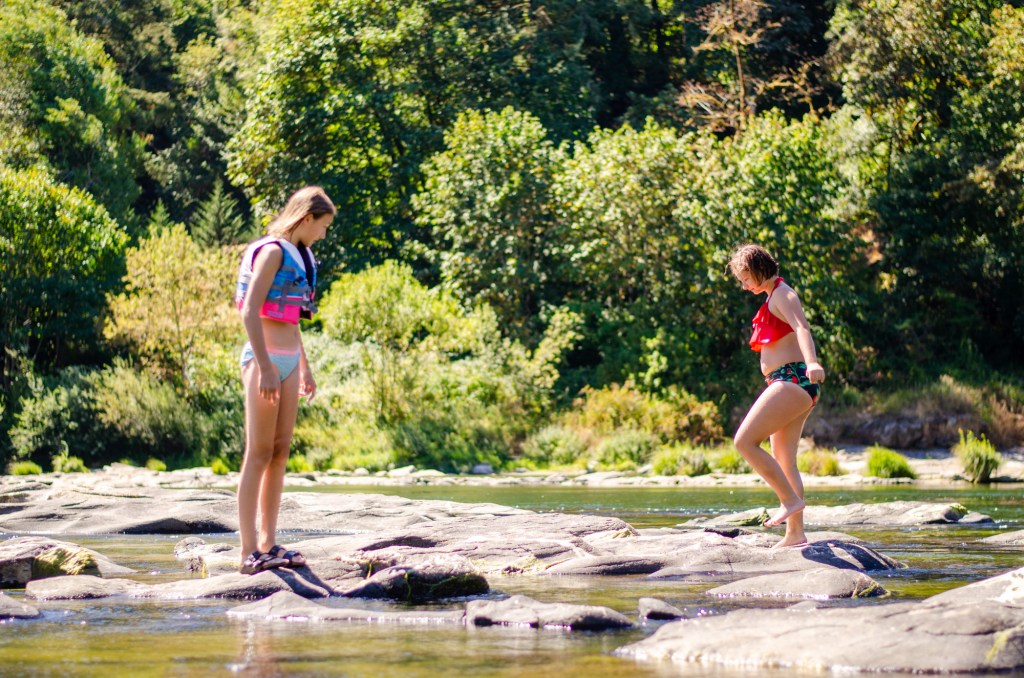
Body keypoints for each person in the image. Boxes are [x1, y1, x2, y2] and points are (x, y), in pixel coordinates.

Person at [233, 186, 335, 574]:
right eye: (322, 226)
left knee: (279, 452)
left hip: (290, 360)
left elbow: (292, 319)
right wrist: (265, 366)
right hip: (265, 360)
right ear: (306, 218)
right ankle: (248, 552)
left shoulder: (302, 255)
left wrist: (304, 367)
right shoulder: (273, 252)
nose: (323, 234)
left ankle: (268, 542)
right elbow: (250, 312)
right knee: (258, 453)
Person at [729, 244, 824, 548]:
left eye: (746, 279)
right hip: (788, 382)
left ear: (759, 270)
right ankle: (795, 534)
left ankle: (789, 501)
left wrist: (812, 362)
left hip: (792, 379)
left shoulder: (783, 294)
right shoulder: (772, 296)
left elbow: (802, 328)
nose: (744, 286)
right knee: (785, 461)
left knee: (744, 442)